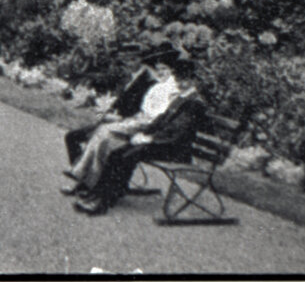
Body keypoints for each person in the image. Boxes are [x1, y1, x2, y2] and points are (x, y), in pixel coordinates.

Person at [68, 57, 209, 216]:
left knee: (123, 156)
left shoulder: (195, 103)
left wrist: (151, 139)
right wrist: (145, 132)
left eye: (186, 79)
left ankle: (103, 201)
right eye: (178, 79)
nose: (181, 83)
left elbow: (178, 131)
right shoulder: (182, 97)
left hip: (175, 149)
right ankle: (104, 193)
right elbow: (160, 120)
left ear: (193, 80)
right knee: (118, 153)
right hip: (163, 142)